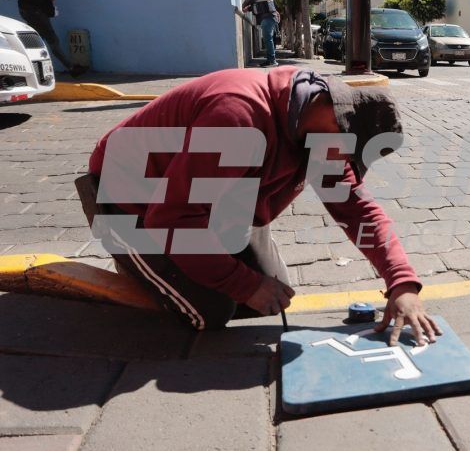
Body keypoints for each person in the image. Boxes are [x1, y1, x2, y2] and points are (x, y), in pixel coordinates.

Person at [77, 67, 441, 345]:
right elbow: (171, 217)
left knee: (268, 297)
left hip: (211, 201)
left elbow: (358, 211)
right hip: (134, 201)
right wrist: (243, 283)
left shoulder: (323, 126)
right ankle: (140, 267)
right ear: (333, 118)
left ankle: (184, 269)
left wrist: (402, 283)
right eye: (343, 152)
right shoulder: (237, 117)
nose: (337, 163)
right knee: (213, 310)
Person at [242, 0, 279, 68]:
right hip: (268, 15)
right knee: (268, 39)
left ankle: (272, 61)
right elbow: (260, 2)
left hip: (267, 16)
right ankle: (270, 60)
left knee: (268, 39)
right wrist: (249, 8)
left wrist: (243, 5)